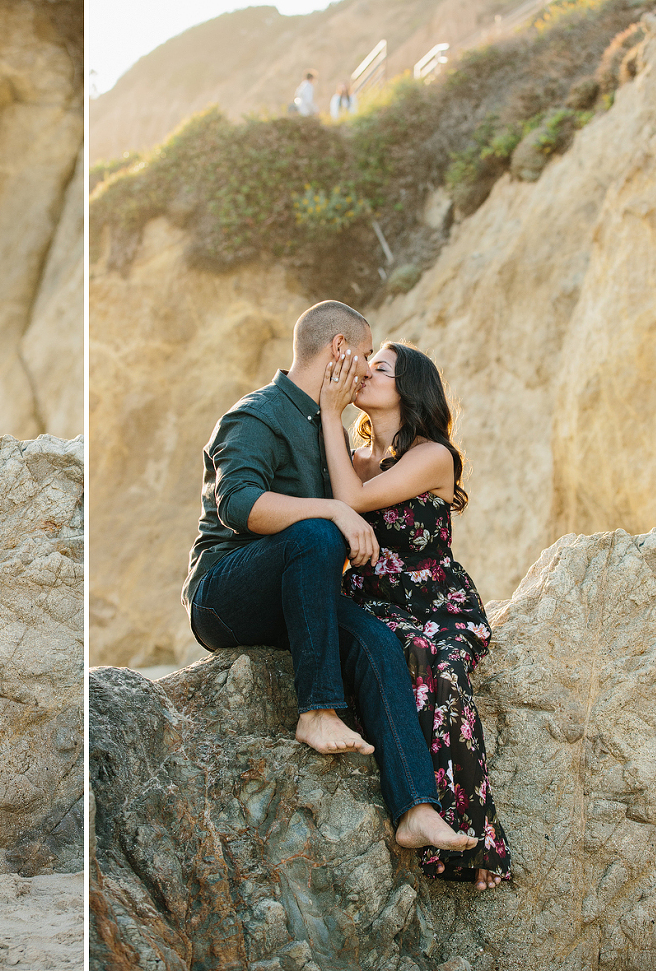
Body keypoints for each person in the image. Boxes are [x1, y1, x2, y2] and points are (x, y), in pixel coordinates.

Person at [182, 299, 477, 857]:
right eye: (365, 354)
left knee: (377, 641)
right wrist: (337, 513)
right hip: (224, 592)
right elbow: (238, 504)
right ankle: (316, 711)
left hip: (298, 595)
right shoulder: (258, 414)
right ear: (339, 349)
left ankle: (416, 809)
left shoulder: (328, 427)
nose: (367, 368)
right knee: (319, 532)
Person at [319, 341, 512, 890]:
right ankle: (435, 827)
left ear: (410, 388)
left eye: (381, 368)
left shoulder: (432, 455)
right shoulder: (349, 459)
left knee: (437, 668)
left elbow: (351, 500)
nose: (366, 372)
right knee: (398, 653)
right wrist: (331, 422)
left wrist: (332, 416)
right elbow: (340, 495)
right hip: (372, 603)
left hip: (436, 606)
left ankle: (474, 842)